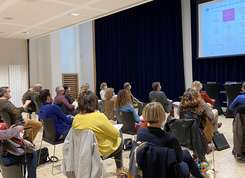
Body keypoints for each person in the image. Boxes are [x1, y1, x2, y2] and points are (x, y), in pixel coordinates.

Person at [137, 102, 204, 178]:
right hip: (168, 172)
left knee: (186, 153)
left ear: (144, 115)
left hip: (148, 170)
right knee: (185, 159)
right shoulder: (170, 138)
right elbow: (179, 159)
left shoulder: (140, 133)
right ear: (162, 116)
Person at [72, 93, 127, 177]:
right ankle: (119, 168)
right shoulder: (99, 116)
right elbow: (115, 134)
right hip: (98, 151)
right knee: (119, 136)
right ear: (94, 103)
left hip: (81, 150)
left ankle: (119, 168)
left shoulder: (76, 118)